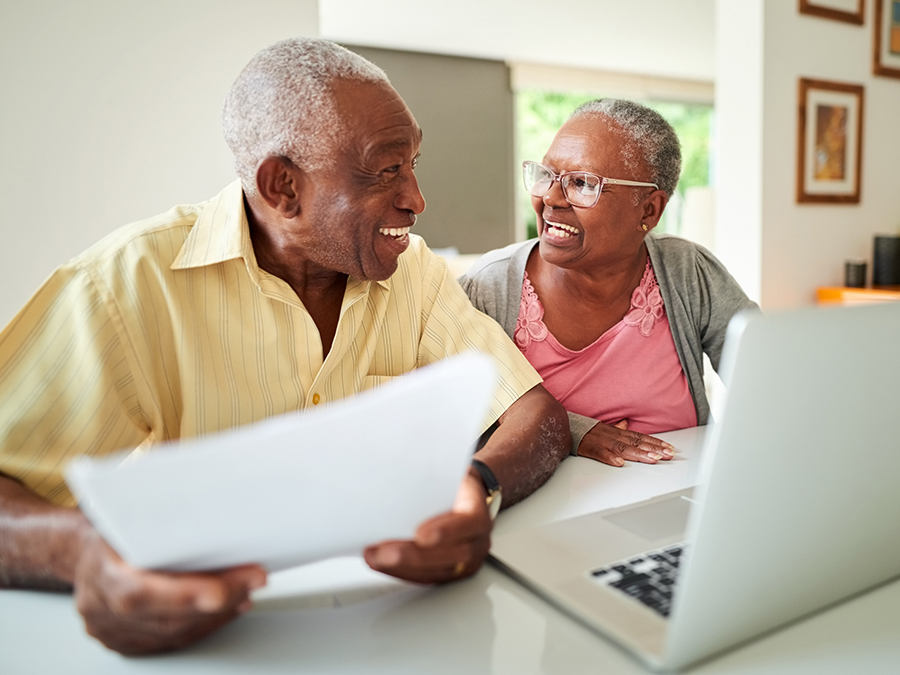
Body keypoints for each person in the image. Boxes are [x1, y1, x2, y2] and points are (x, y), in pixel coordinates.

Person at [0, 38, 570, 655]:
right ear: (282, 187)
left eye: (413, 164)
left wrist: (478, 487)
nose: (416, 199)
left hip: (396, 639)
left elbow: (533, 413)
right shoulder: (120, 285)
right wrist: (83, 553)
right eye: (386, 170)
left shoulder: (415, 273)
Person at [459, 99, 757, 467]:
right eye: (547, 175)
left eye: (582, 183)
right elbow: (463, 418)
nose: (550, 197)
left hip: (680, 503)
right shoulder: (487, 289)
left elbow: (772, 382)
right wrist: (574, 431)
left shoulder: (687, 272)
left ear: (648, 210)